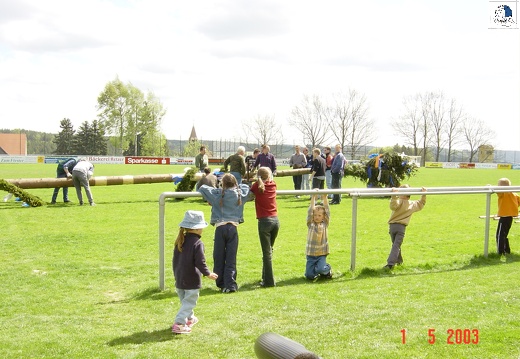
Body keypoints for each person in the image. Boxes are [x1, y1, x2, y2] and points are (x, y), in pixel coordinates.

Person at [198, 173, 250, 293]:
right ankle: (230, 284)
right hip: (233, 228)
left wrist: (218, 188)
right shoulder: (240, 194)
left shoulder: (217, 195)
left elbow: (203, 188)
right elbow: (246, 187)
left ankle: (220, 283)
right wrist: (237, 186)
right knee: (231, 257)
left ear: (223, 184)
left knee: (219, 256)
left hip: (220, 228)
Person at [172, 210, 218, 334]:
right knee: (190, 302)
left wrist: (176, 274)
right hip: (191, 279)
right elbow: (200, 262)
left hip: (179, 277)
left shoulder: (180, 241)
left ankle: (190, 318)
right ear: (198, 229)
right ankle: (179, 323)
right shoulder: (197, 243)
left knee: (185, 301)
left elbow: (174, 260)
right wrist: (208, 273)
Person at [384, 185, 427, 269]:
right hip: (401, 228)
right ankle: (398, 262)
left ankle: (391, 264)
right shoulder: (412, 204)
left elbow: (393, 206)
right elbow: (421, 203)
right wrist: (423, 194)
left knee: (396, 245)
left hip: (393, 227)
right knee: (396, 245)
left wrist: (393, 196)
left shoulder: (399, 201)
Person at [250, 167, 279, 287]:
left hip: (264, 222)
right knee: (269, 251)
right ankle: (265, 276)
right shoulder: (273, 184)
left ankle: (269, 281)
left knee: (266, 253)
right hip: (276, 221)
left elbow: (251, 193)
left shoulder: (256, 186)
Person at [305, 192, 332, 280]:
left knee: (321, 269)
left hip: (321, 253)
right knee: (309, 276)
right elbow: (310, 211)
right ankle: (319, 270)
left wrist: (324, 198)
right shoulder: (310, 224)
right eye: (315, 215)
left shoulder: (325, 224)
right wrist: (313, 196)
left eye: (319, 215)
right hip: (311, 254)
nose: (317, 217)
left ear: (323, 217)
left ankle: (326, 269)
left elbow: (327, 211)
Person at [495, 178, 520, 255]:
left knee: (499, 235)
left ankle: (500, 252)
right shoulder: (514, 194)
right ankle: (507, 250)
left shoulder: (503, 193)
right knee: (504, 234)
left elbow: (498, 191)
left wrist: (490, 186)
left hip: (504, 216)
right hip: (510, 217)